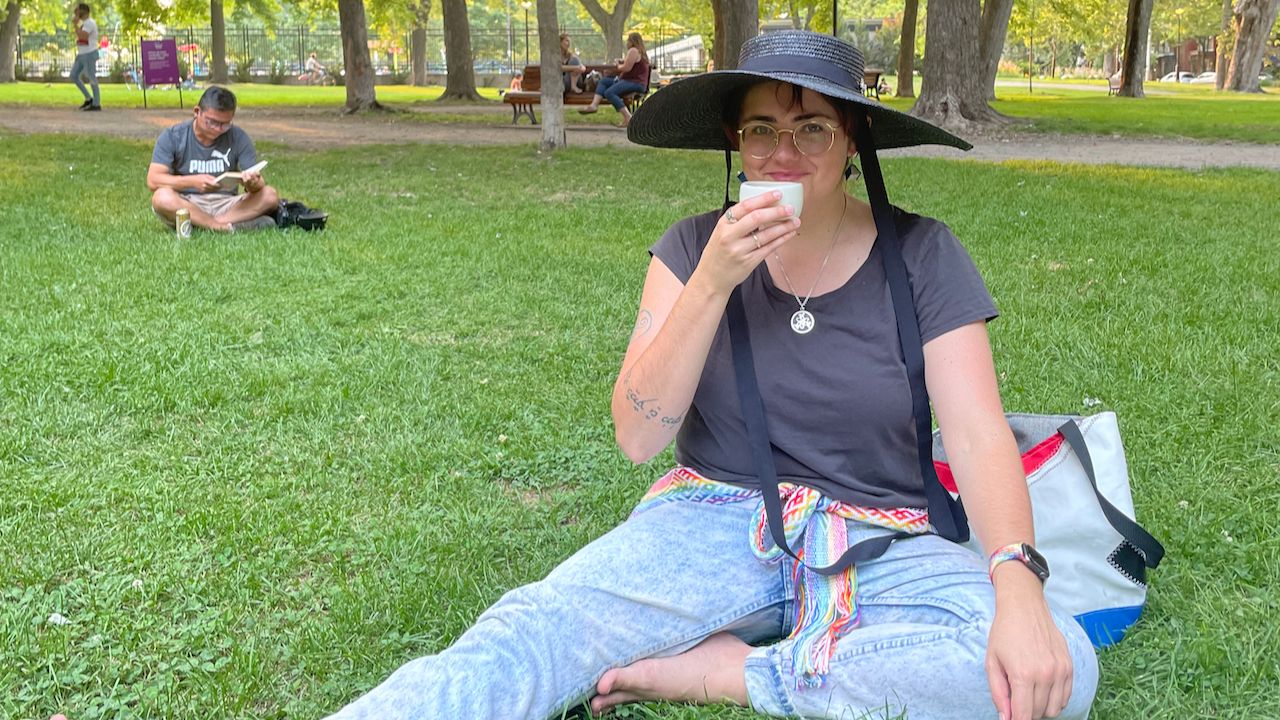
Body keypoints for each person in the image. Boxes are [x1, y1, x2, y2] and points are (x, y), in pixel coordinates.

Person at [323, 31, 1098, 720]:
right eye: (762, 129)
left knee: (1059, 665)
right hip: (711, 520)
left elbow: (974, 429)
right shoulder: (692, 248)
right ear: (735, 138)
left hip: (881, 536)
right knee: (537, 627)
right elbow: (637, 436)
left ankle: (735, 674)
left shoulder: (923, 253)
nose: (783, 154)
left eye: (812, 129)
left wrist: (1018, 585)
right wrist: (713, 283)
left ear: (854, 138)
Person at [147, 86, 279, 233]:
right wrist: (192, 182)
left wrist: (253, 183)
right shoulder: (173, 136)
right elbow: (153, 180)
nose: (218, 129)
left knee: (270, 195)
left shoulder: (238, 136)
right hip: (188, 202)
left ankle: (203, 225)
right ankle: (223, 228)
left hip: (227, 204)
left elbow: (258, 184)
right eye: (212, 122)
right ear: (197, 112)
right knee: (161, 198)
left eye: (225, 124)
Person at [578, 31, 649, 127]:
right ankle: (594, 105)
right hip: (633, 81)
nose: (626, 43)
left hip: (635, 82)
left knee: (609, 93)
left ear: (632, 41)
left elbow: (626, 68)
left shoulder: (633, 50)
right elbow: (631, 64)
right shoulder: (639, 52)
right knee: (604, 81)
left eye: (628, 40)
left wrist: (618, 66)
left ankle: (628, 117)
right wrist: (623, 61)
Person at [69, 3, 100, 111]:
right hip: (82, 53)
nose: (75, 13)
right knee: (73, 75)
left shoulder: (90, 23)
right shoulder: (84, 24)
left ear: (84, 11)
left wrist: (75, 25)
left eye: (77, 11)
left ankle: (96, 103)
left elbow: (83, 35)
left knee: (91, 77)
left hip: (89, 53)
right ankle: (88, 98)